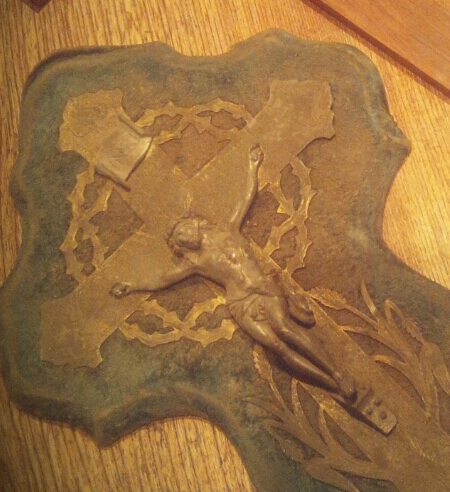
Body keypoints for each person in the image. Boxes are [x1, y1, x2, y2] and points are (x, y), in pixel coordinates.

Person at [110, 144, 356, 400]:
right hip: (240, 303)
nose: (183, 236)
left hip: (262, 287)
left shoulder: (229, 228)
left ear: (194, 223)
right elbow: (164, 279)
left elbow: (246, 197)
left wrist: (252, 166)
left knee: (284, 328)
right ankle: (329, 384)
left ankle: (337, 373)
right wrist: (132, 285)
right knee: (276, 347)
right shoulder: (195, 262)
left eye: (182, 229)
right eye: (178, 238)